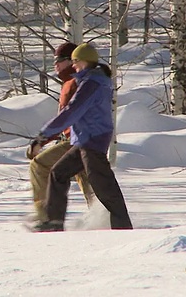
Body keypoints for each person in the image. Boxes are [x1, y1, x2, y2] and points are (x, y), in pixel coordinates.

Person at [28, 42, 133, 232]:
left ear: (85, 62)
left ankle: (122, 228)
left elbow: (71, 112)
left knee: (104, 187)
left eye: (75, 62)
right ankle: (54, 222)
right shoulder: (89, 80)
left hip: (92, 140)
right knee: (58, 173)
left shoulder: (91, 84)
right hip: (82, 141)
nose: (73, 66)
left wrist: (43, 136)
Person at [26, 42, 94, 223]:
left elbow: (67, 117)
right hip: (82, 140)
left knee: (39, 166)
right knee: (86, 178)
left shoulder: (74, 83)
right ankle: (104, 216)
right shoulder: (73, 82)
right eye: (54, 60)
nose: (55, 64)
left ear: (72, 61)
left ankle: (45, 215)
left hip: (78, 141)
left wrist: (41, 140)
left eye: (60, 60)